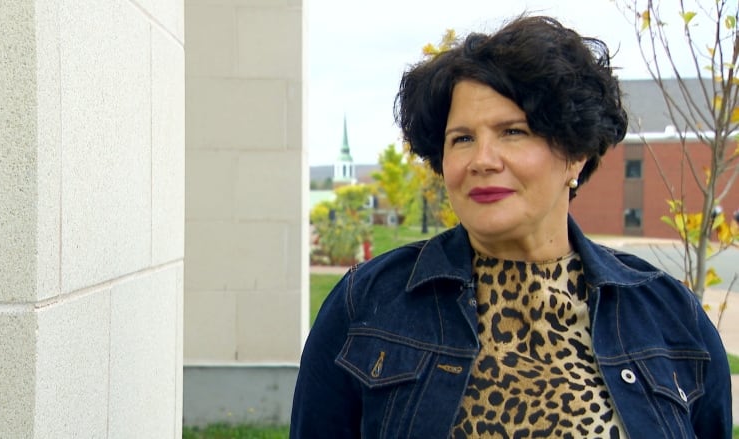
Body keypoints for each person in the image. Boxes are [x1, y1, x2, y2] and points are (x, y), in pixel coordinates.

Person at [290, 15, 731, 439]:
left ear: (575, 153)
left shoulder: (672, 317)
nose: (482, 160)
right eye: (461, 138)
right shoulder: (365, 306)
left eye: (513, 132)